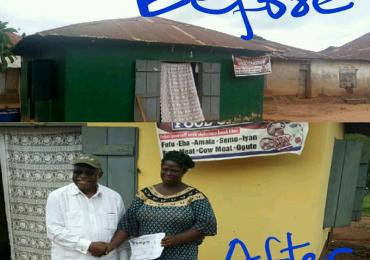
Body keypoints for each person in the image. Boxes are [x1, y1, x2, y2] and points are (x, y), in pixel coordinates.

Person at [106, 150, 217, 260]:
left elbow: (206, 225)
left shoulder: (194, 197)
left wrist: (177, 239)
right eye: (165, 169)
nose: (168, 173)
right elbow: (127, 224)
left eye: (174, 171)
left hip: (181, 255)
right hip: (146, 256)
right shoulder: (145, 194)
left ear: (183, 172)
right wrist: (110, 247)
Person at [45, 154, 128, 260]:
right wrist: (88, 246)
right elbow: (54, 231)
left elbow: (122, 232)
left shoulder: (114, 198)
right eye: (78, 171)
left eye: (89, 172)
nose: (83, 176)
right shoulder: (57, 196)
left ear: (100, 174)